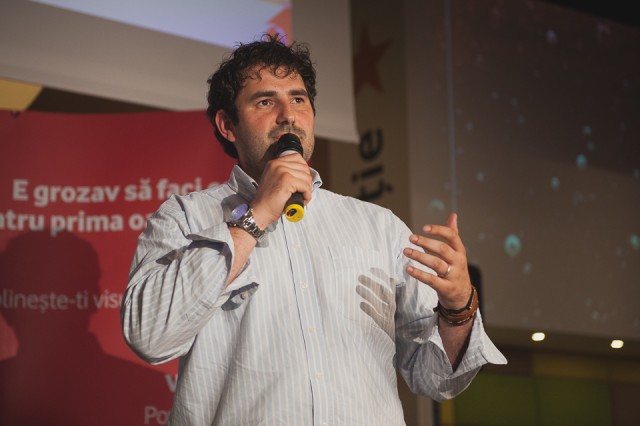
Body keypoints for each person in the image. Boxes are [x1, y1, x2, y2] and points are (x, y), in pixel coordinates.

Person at [121, 34, 506, 425]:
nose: (288, 115)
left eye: (299, 99)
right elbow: (149, 335)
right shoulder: (185, 217)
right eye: (265, 101)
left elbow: (434, 378)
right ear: (227, 125)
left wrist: (458, 309)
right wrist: (257, 215)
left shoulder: (379, 226)